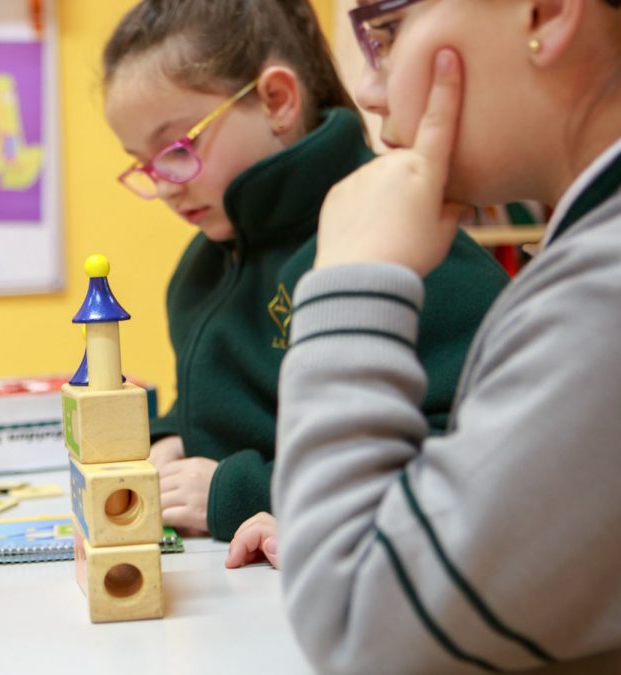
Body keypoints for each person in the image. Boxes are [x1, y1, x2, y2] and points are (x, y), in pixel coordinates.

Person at [263, 0, 621, 670]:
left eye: (386, 32)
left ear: (544, 12)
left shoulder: (606, 296)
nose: (369, 90)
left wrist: (351, 279)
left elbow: (358, 626)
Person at [101, 0, 510, 543]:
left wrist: (241, 491)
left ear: (276, 101)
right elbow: (235, 414)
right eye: (143, 164)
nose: (166, 184)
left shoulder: (395, 239)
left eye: (178, 147)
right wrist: (173, 438)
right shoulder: (199, 271)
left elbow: (474, 464)